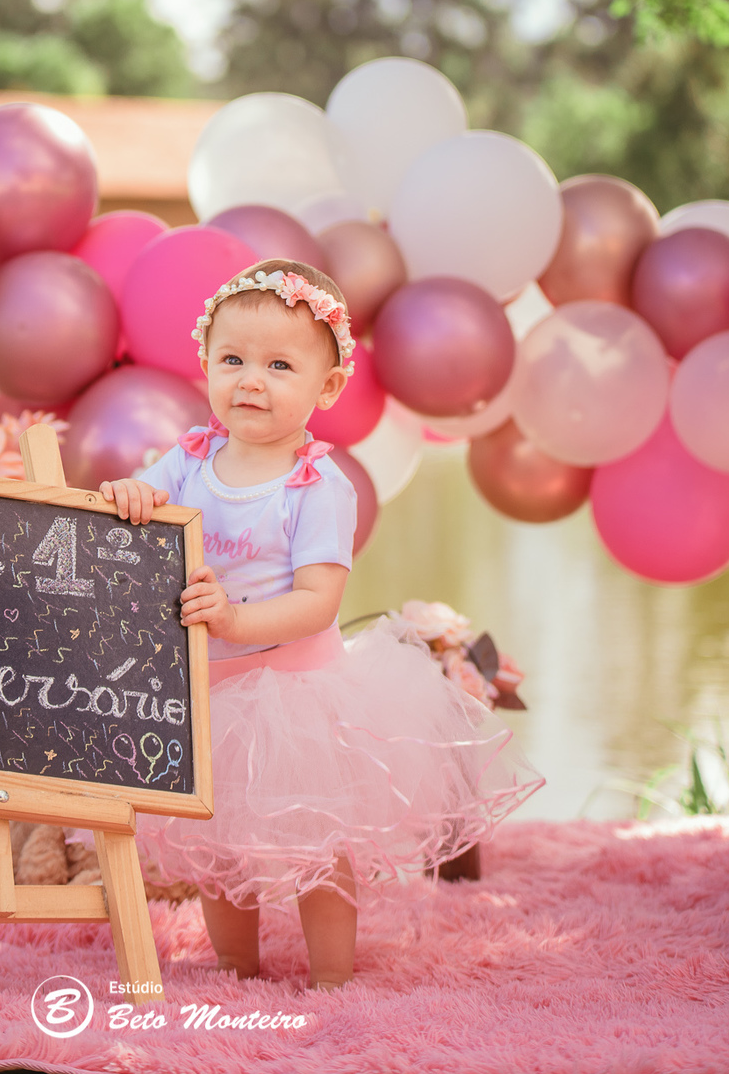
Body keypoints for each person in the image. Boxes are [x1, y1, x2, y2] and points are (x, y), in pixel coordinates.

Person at [101, 257, 543, 990]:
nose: (250, 380)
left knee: (320, 845)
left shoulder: (316, 485)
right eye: (233, 359)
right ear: (205, 362)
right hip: (210, 693)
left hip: (297, 695)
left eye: (279, 365)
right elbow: (142, 502)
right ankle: (235, 969)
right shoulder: (190, 460)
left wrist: (234, 621)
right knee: (222, 847)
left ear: (326, 387)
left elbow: (317, 602)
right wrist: (128, 495)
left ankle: (333, 975)